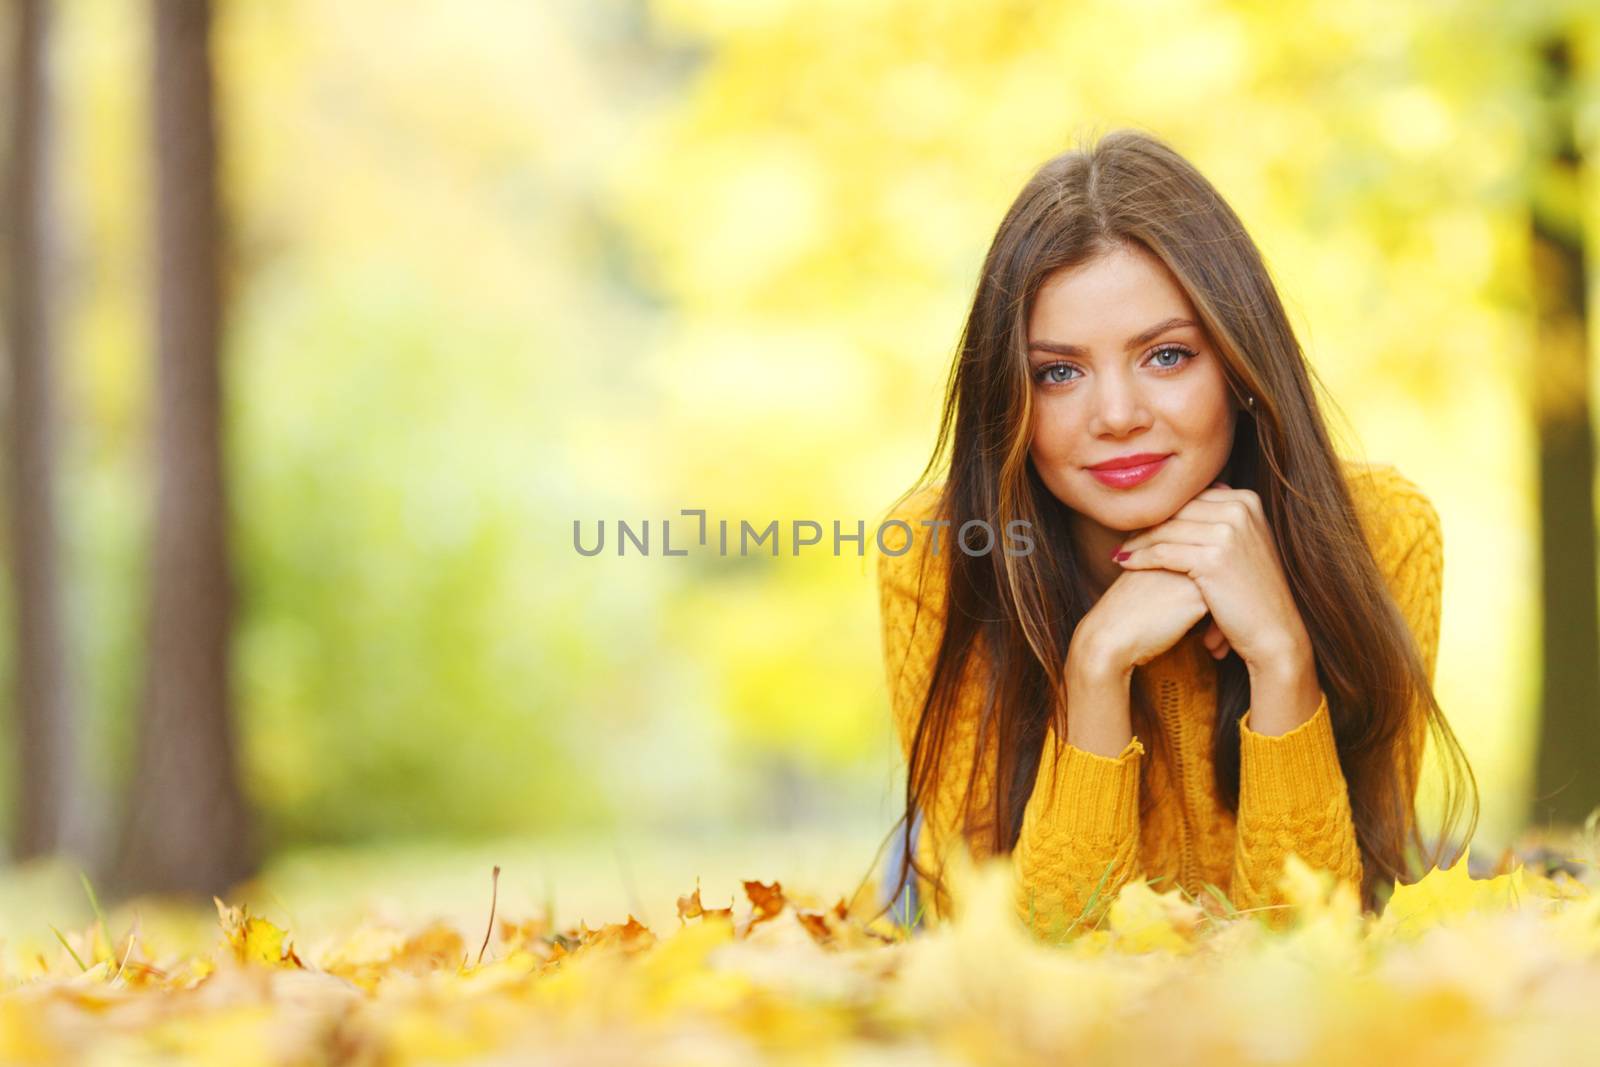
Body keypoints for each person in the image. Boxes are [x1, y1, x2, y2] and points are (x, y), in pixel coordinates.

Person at [874, 129, 1478, 938]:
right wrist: (1095, 667)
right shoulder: (941, 554)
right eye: (1059, 371)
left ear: (1238, 361)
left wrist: (1281, 657)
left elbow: (1311, 944)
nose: (1118, 415)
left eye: (1165, 356)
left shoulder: (1376, 534)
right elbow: (1030, 960)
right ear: (1007, 394)